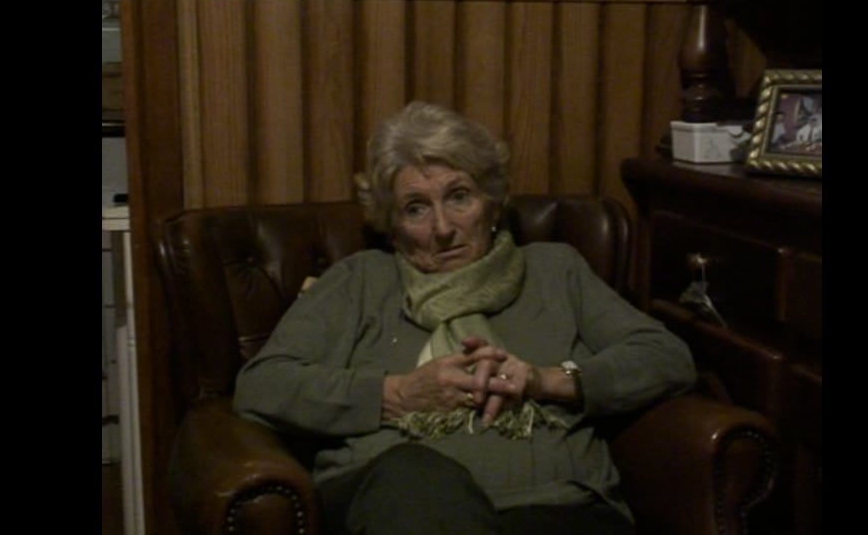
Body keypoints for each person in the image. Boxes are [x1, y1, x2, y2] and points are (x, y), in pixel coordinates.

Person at [233, 101, 696, 535]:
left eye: (459, 197)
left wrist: (547, 380)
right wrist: (397, 394)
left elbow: (666, 357)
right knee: (412, 476)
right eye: (416, 209)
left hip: (558, 505)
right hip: (405, 506)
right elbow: (262, 385)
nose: (442, 228)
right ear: (392, 225)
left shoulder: (556, 271)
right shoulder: (360, 281)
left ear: (492, 202)